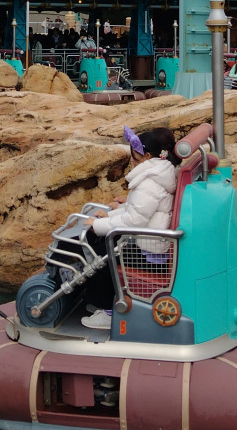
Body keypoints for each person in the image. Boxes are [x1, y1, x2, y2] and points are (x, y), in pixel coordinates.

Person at [77, 127, 180, 329]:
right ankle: (96, 298)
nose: (132, 162)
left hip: (149, 251)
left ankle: (107, 311)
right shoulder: (160, 173)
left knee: (101, 256)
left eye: (134, 158)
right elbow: (138, 211)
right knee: (104, 245)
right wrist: (109, 216)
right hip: (150, 241)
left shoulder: (149, 182)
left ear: (147, 156)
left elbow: (134, 220)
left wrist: (98, 225)